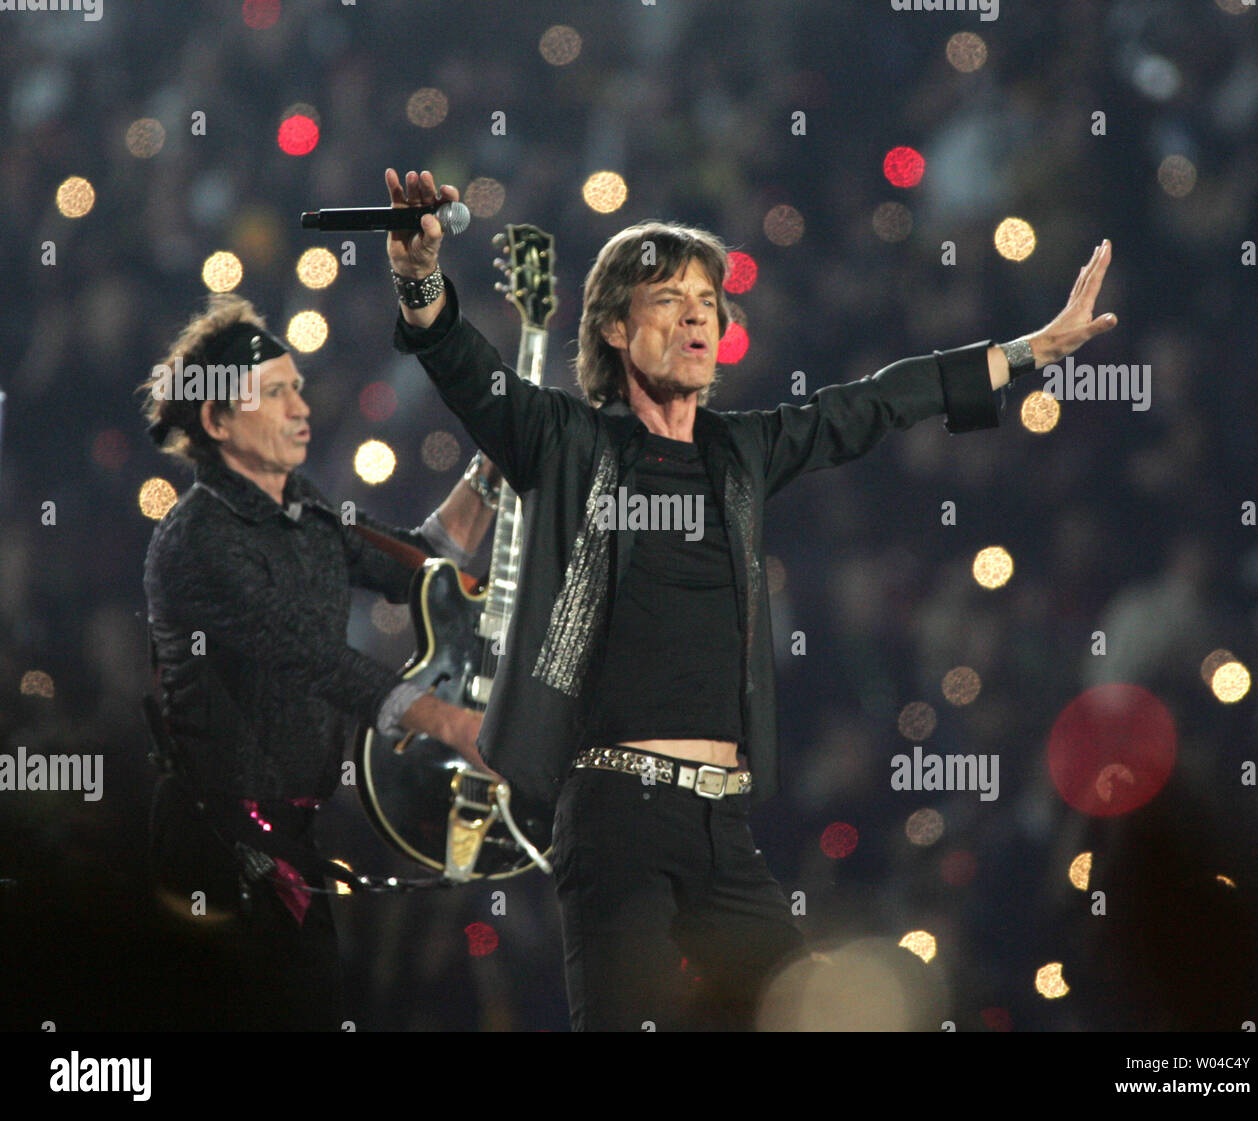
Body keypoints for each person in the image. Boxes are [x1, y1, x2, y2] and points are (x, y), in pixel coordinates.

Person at [385, 167, 1117, 1030]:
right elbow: (465, 366)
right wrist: (420, 274)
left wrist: (1029, 350)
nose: (698, 314)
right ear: (616, 328)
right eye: (668, 298)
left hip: (720, 823)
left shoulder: (743, 452)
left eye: (707, 298)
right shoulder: (564, 440)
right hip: (618, 816)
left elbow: (875, 403)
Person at [140, 293, 498, 1030]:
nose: (302, 405)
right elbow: (312, 659)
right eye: (275, 393)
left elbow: (421, 566)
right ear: (216, 420)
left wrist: (497, 463)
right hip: (215, 854)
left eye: (296, 385)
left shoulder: (302, 506)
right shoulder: (197, 540)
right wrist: (452, 724)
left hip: (292, 846)